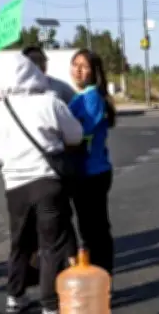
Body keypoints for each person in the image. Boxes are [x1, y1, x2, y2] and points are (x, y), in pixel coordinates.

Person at [0, 54, 82, 314]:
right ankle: (50, 304)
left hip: (15, 187)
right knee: (51, 245)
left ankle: (15, 296)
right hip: (48, 182)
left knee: (20, 243)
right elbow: (76, 136)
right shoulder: (50, 102)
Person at [67, 49, 117, 274]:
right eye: (75, 64)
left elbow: (81, 134)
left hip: (92, 173)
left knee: (95, 232)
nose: (78, 70)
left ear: (94, 71)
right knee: (88, 230)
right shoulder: (79, 97)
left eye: (84, 66)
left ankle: (102, 276)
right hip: (83, 172)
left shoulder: (92, 98)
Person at [0, 39, 76, 104]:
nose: (38, 65)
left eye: (41, 60)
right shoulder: (12, 88)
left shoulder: (59, 87)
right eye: (33, 61)